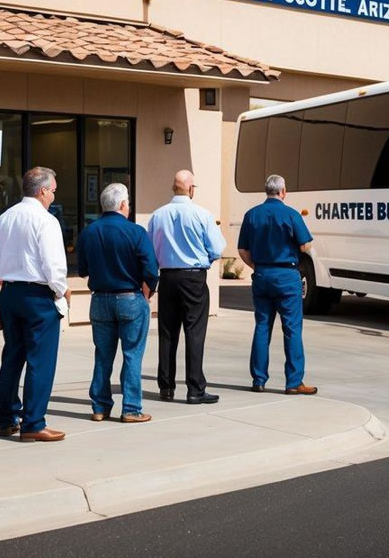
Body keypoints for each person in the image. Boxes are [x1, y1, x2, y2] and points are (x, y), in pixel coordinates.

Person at [0, 167, 69, 443]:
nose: (53, 196)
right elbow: (53, 265)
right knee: (41, 360)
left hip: (10, 292)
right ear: (42, 191)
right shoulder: (45, 220)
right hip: (37, 295)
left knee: (12, 358)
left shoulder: (4, 218)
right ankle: (33, 422)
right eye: (53, 191)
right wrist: (61, 291)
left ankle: (7, 418)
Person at [77, 183, 159, 423]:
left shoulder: (89, 232)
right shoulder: (135, 232)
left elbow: (82, 270)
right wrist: (148, 291)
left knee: (103, 354)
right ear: (123, 205)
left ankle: (100, 407)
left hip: (100, 298)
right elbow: (151, 269)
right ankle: (131, 408)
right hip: (130, 297)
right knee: (132, 354)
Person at [147, 170, 225, 405]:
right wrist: (205, 260)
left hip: (168, 277)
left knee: (167, 333)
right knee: (195, 332)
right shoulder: (202, 214)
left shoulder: (158, 215)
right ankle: (195, 389)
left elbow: (150, 250)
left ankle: (166, 387)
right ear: (191, 189)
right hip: (193, 277)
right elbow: (217, 248)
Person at [237, 174, 318, 396]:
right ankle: (294, 382)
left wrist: (257, 266)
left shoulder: (251, 215)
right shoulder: (291, 214)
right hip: (287, 276)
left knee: (262, 326)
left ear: (267, 191)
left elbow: (242, 250)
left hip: (263, 274)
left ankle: (259, 379)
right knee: (292, 328)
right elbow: (304, 246)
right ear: (283, 192)